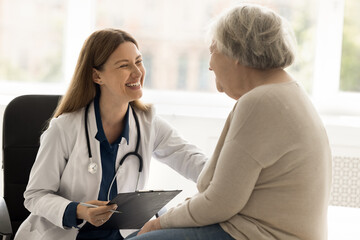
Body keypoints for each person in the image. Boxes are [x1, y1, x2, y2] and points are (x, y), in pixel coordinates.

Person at [126, 4, 332, 240]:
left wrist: (160, 223)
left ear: (236, 51)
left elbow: (220, 202)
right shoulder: (287, 91)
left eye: (213, 50)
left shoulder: (260, 101)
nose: (210, 64)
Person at [14, 28, 207, 240]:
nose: (137, 72)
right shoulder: (64, 129)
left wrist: (229, 179)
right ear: (97, 76)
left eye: (139, 61)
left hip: (119, 235)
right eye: (124, 65)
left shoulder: (147, 123)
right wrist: (80, 210)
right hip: (65, 234)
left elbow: (190, 159)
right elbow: (35, 196)